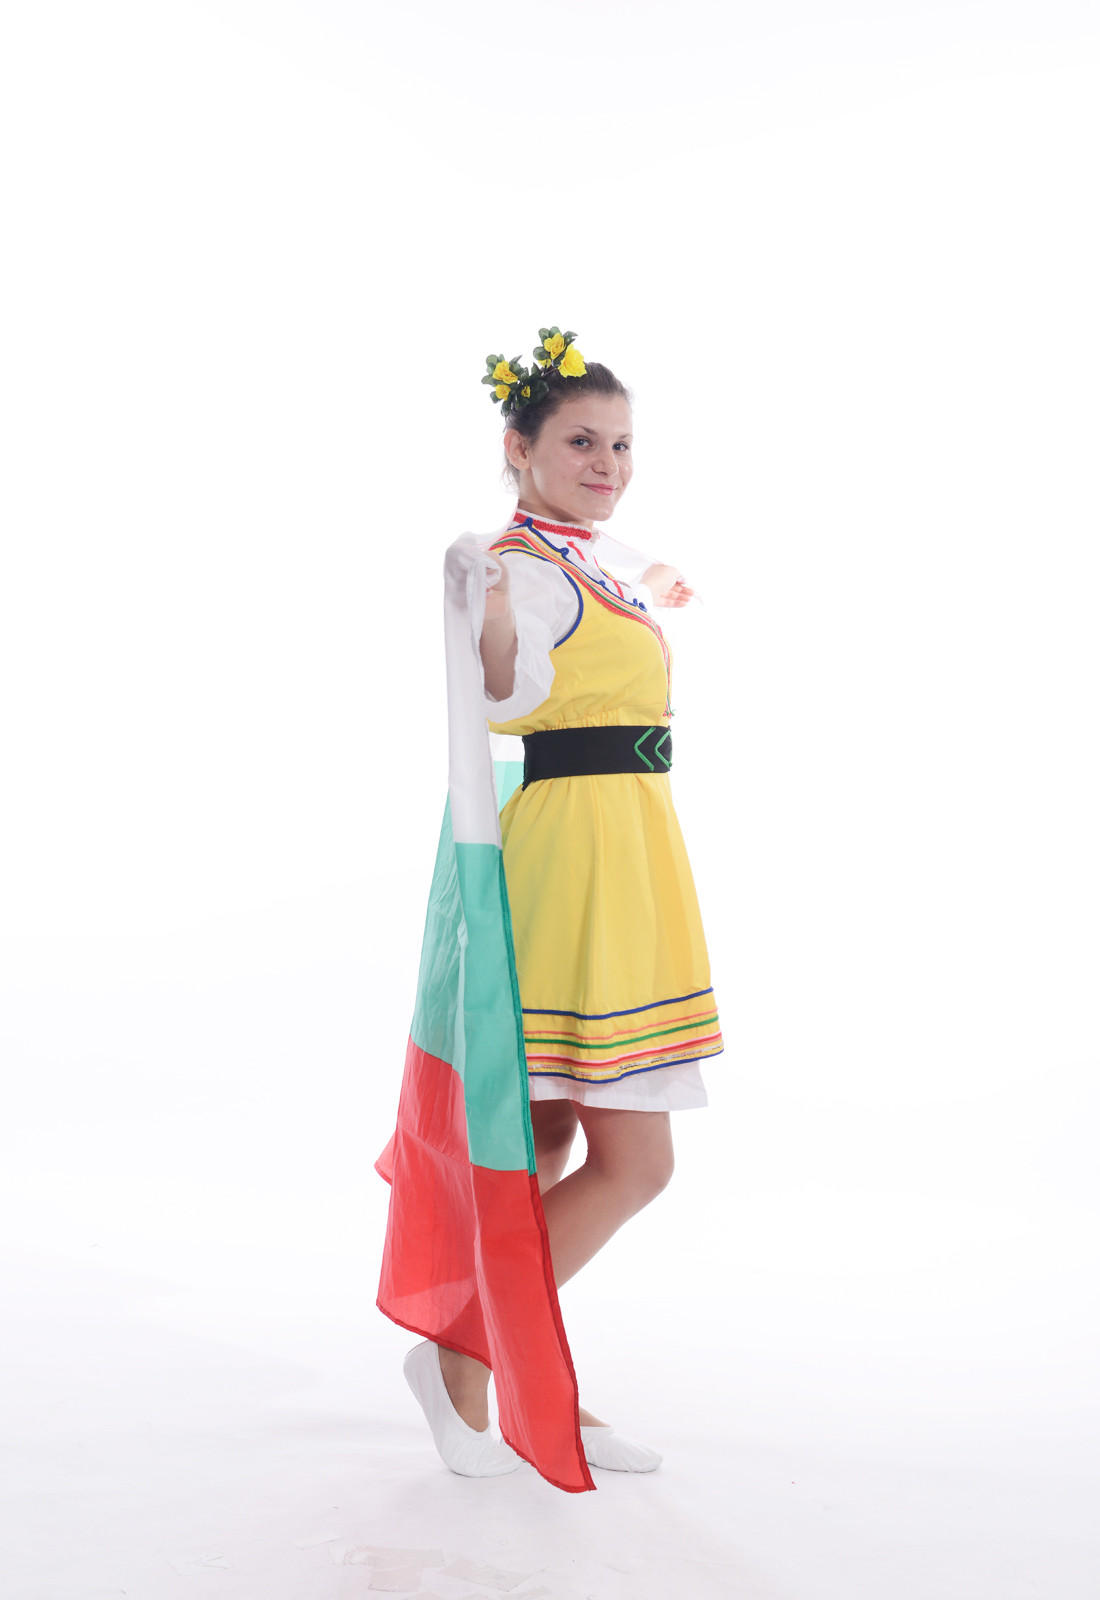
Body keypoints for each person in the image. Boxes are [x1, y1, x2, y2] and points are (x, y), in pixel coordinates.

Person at [378, 327, 723, 1489]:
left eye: (620, 444)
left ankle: (515, 1372)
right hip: (574, 860)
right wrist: (484, 611)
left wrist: (637, 577)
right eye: (580, 441)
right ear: (517, 446)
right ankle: (469, 1357)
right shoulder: (516, 568)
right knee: (632, 1161)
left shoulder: (585, 560)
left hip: (626, 850)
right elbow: (505, 687)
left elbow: (597, 607)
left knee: (549, 1142)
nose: (607, 463)